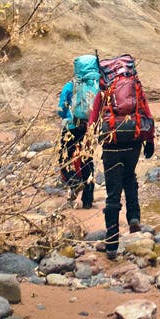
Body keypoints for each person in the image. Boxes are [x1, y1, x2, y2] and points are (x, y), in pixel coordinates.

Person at [90, 54, 155, 259]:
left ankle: (111, 244)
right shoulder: (135, 86)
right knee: (130, 178)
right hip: (133, 142)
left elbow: (93, 119)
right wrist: (149, 140)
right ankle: (134, 217)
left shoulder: (104, 91)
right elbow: (146, 112)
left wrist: (91, 143)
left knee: (112, 192)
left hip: (111, 144)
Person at [56, 54, 99, 208]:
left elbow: (61, 109)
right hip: (90, 128)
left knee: (64, 158)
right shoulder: (96, 85)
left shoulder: (70, 86)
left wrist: (65, 114)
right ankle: (88, 201)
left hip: (71, 128)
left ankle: (74, 182)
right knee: (87, 161)